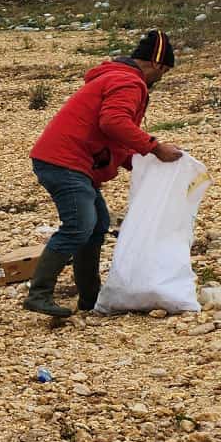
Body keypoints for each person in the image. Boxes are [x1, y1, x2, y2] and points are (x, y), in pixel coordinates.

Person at [23, 30, 183, 317]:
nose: (161, 79)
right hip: (65, 162)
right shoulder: (129, 82)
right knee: (79, 224)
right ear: (157, 65)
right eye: (164, 72)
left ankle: (90, 298)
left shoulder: (114, 77)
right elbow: (114, 122)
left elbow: (110, 135)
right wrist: (155, 147)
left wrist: (139, 161)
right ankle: (40, 293)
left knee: (97, 225)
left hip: (68, 161)